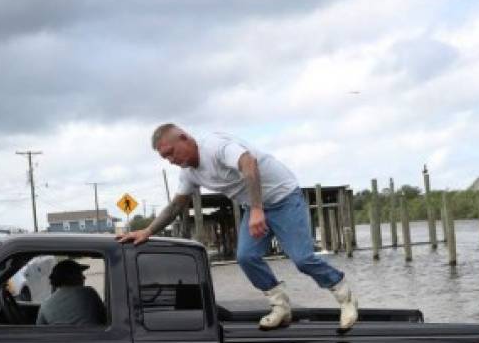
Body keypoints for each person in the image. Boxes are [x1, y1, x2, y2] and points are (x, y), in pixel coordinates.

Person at [118, 124, 358, 331]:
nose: (171, 161)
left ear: (184, 138)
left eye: (171, 153)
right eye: (165, 159)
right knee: (246, 257)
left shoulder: (215, 146)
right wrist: (147, 231)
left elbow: (248, 163)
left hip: (284, 200)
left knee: (302, 259)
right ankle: (281, 307)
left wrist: (256, 209)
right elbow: (175, 207)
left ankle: (345, 297)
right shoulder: (188, 174)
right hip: (253, 207)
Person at [36, 259, 107, 326]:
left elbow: (39, 330)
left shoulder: (45, 305)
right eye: (80, 274)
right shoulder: (89, 293)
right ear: (71, 276)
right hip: (93, 338)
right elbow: (105, 318)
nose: (84, 277)